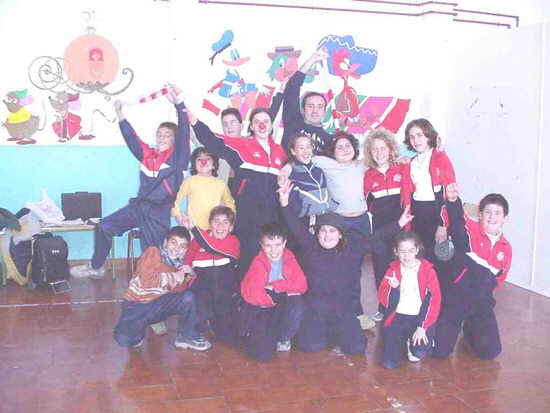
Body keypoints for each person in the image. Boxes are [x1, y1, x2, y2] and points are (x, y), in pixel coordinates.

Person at [278, 179, 413, 356]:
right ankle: (329, 334)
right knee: (310, 346)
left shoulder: (353, 249)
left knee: (356, 348)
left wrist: (399, 224)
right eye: (323, 231)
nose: (327, 236)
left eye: (332, 231)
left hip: (342, 310)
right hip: (316, 309)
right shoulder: (310, 246)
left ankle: (339, 333)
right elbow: (295, 227)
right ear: (317, 233)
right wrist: (285, 203)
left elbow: (377, 236)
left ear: (340, 235)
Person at [70, 84, 190, 279]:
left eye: (167, 135)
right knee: (103, 226)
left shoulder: (178, 158)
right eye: (159, 134)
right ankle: (97, 266)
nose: (162, 137)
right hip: (138, 207)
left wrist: (179, 105)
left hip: (158, 213)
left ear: (175, 141)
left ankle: (167, 283)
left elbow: (184, 131)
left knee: (154, 253)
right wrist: (120, 114)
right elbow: (131, 138)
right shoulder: (148, 155)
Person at [188, 107, 286, 279]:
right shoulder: (242, 145)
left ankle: (268, 293)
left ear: (272, 126)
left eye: (266, 121)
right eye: (257, 122)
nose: (262, 125)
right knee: (247, 256)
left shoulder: (280, 152)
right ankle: (244, 297)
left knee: (271, 256)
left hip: (273, 214)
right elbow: (212, 140)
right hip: (248, 215)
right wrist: (189, 114)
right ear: (251, 127)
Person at [434, 188, 512, 360]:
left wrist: (481, 295)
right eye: (488, 212)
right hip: (456, 300)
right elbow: (456, 218)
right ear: (480, 214)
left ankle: (470, 327)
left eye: (497, 213)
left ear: (504, 218)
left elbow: (499, 279)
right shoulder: (469, 231)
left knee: (490, 352)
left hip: (480, 303)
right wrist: (453, 200)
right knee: (439, 351)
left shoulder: (506, 249)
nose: (492, 217)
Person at [113, 226, 211, 350]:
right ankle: (140, 327)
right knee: (125, 339)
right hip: (137, 305)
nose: (176, 249)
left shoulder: (179, 267)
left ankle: (187, 336)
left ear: (186, 250)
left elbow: (178, 290)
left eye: (182, 246)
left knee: (188, 297)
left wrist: (187, 275)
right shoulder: (153, 252)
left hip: (158, 305)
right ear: (165, 242)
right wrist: (176, 276)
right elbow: (146, 281)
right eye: (173, 243)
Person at [239, 223, 307, 362]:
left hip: (279, 303)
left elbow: (302, 284)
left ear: (284, 243)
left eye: (277, 245)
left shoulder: (289, 257)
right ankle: (264, 335)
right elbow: (253, 293)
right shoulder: (258, 262)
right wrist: (280, 295)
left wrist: (275, 286)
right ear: (261, 245)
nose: (273, 250)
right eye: (268, 245)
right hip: (263, 308)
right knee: (262, 355)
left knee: (297, 303)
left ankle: (283, 337)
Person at [378, 231, 441, 369]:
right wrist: (394, 288)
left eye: (411, 251)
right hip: (398, 316)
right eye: (402, 251)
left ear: (417, 250)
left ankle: (419, 339)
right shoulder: (392, 270)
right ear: (396, 252)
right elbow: (384, 301)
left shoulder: (428, 270)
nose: (407, 256)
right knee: (389, 363)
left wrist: (422, 327)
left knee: (419, 352)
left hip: (419, 317)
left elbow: (434, 301)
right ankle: (402, 339)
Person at [363, 128, 407, 322]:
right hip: (380, 232)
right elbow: (365, 205)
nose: (379, 153)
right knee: (382, 268)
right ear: (370, 153)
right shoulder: (367, 176)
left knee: (403, 267)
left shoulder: (403, 169)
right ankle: (384, 306)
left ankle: (405, 306)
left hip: (403, 228)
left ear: (390, 149)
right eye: (375, 149)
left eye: (383, 148)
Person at [182, 206, 240, 346]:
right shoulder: (198, 241)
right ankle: (198, 322)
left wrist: (194, 228)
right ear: (210, 224)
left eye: (225, 222)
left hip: (223, 296)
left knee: (231, 340)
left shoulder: (233, 241)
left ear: (231, 227)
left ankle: (215, 321)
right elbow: (187, 263)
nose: (220, 226)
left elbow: (212, 246)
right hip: (202, 292)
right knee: (193, 302)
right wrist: (184, 281)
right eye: (216, 221)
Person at [401, 118, 456, 264]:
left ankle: (437, 287)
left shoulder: (441, 159)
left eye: (420, 135)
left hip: (435, 213)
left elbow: (448, 195)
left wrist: (443, 225)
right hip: (417, 214)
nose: (415, 140)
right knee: (419, 257)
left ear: (429, 136)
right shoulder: (410, 163)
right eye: (412, 137)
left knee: (438, 259)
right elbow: (407, 196)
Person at [281, 50, 333, 155]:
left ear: (324, 111)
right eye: (310, 106)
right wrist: (311, 60)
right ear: (303, 109)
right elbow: (292, 87)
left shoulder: (330, 141)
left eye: (319, 106)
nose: (315, 110)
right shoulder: (293, 122)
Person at [172, 147, 235, 230]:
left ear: (214, 165)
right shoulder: (190, 181)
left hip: (214, 230)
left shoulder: (221, 183)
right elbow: (174, 200)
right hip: (194, 228)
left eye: (208, 158)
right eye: (199, 159)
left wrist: (230, 223)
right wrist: (180, 219)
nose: (203, 161)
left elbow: (230, 204)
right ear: (194, 165)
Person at [284, 133, 338, 226]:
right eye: (301, 148)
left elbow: (326, 195)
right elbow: (293, 207)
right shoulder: (290, 174)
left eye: (308, 147)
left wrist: (331, 206)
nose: (306, 152)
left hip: (323, 221)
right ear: (293, 151)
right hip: (303, 223)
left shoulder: (319, 171)